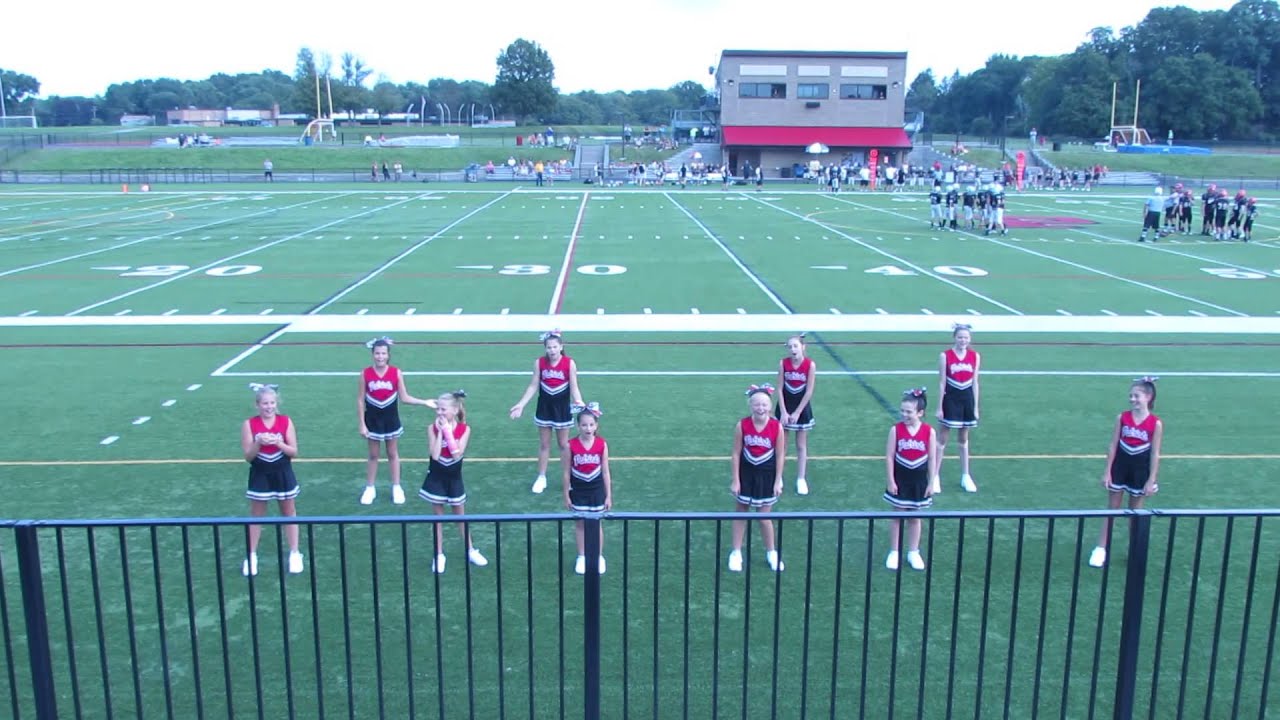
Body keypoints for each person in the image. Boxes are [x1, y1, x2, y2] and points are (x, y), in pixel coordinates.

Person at [1089, 377, 1164, 568]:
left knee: (1135, 513)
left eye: (1136, 396)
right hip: (1120, 467)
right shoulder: (1122, 418)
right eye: (1131, 396)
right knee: (1111, 509)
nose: (1132, 399)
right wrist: (1107, 472)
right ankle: (1101, 548)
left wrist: (1151, 480)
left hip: (1140, 471)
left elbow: (1155, 453)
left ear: (1148, 397)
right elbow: (1113, 445)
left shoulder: (1155, 424)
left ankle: (1135, 550)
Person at [358, 337, 435, 505]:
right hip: (372, 419)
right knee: (373, 455)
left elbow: (404, 397)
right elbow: (360, 400)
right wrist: (362, 423)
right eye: (377, 353)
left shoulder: (396, 373)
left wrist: (424, 402)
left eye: (383, 353)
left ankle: (396, 487)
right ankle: (370, 488)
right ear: (373, 354)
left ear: (388, 355)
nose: (380, 357)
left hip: (390, 419)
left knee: (392, 453)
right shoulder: (365, 374)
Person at [420, 390, 488, 573]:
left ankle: (470, 550)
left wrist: (449, 432)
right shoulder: (431, 428)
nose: (439, 413)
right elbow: (435, 455)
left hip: (454, 477)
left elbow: (456, 452)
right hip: (436, 476)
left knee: (460, 516)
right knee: (438, 518)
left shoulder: (465, 429)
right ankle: (439, 554)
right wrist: (442, 432)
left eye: (443, 409)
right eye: (438, 409)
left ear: (455, 410)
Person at [510, 330, 585, 494]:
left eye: (554, 347)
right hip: (544, 407)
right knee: (544, 445)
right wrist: (521, 404)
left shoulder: (569, 363)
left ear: (561, 347)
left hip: (562, 408)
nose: (552, 350)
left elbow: (574, 387)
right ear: (545, 348)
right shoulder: (539, 363)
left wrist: (579, 401)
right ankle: (541, 477)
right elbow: (533, 386)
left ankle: (568, 478)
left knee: (563, 445)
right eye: (549, 347)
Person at [240, 383, 303, 576]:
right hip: (260, 473)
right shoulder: (249, 424)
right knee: (257, 515)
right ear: (257, 405)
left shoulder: (285, 421)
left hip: (282, 471)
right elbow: (248, 457)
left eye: (272, 403)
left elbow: (294, 452)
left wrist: (278, 443)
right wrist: (258, 442)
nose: (269, 407)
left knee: (289, 512)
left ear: (277, 404)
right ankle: (251, 556)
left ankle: (295, 552)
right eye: (265, 403)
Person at [727, 385, 786, 573]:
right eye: (757, 404)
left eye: (764, 405)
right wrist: (735, 480)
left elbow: (780, 455)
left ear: (770, 406)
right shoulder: (742, 425)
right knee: (741, 512)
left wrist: (778, 480)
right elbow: (736, 453)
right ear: (751, 406)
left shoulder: (776, 427)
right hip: (746, 473)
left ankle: (772, 552)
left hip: (767, 475)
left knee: (764, 516)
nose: (761, 408)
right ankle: (736, 552)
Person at [884, 388, 937, 570]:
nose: (904, 415)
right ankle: (894, 551)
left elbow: (932, 458)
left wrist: (932, 481)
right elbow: (890, 456)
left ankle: (913, 552)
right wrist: (891, 480)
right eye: (903, 411)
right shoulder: (895, 430)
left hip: (919, 481)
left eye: (909, 411)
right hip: (901, 479)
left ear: (920, 413)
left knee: (915, 517)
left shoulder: (929, 432)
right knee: (897, 515)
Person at [563, 402, 612, 575]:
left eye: (591, 424)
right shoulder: (571, 445)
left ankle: (598, 556)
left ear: (596, 425)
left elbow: (605, 472)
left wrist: (608, 496)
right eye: (584, 424)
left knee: (596, 524)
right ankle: (582, 556)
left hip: (597, 490)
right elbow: (566, 471)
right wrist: (566, 495)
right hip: (578, 490)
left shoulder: (602, 444)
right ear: (578, 426)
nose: (588, 428)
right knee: (580, 525)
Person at [933, 324, 980, 494]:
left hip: (966, 398)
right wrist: (939, 406)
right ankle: (935, 476)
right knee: (942, 438)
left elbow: (975, 382)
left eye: (966, 337)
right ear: (954, 337)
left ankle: (966, 475)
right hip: (950, 398)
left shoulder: (975, 356)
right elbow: (941, 382)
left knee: (963, 438)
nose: (963, 340)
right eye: (960, 337)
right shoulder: (945, 356)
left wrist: (975, 407)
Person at [775, 334, 816, 495]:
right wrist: (784, 412)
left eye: (795, 346)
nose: (793, 349)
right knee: (782, 445)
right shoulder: (783, 364)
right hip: (785, 404)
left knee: (801, 445)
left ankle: (801, 478)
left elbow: (809, 390)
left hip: (802, 407)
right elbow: (779, 388)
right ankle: (779, 477)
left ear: (803, 347)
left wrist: (798, 412)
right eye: (790, 346)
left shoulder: (810, 365)